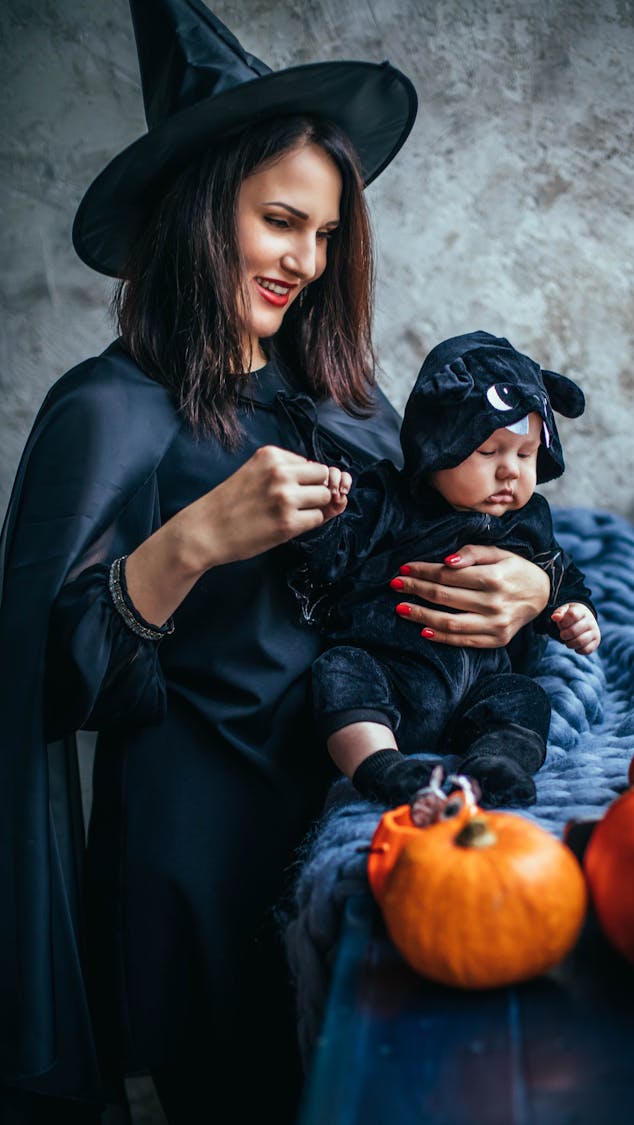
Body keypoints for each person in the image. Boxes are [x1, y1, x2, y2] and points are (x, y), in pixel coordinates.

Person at [0, 2, 555, 1122]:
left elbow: (439, 532)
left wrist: (529, 587)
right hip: (202, 859)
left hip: (356, 817)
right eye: (279, 222)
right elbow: (43, 692)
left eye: (328, 233)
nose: (306, 261)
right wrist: (193, 541)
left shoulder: (342, 401)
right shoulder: (105, 413)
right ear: (201, 213)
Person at [288, 331, 601, 810]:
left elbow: (558, 571)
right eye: (488, 452)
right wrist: (326, 522)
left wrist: (572, 608)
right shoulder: (388, 499)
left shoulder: (527, 519)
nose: (510, 472)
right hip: (390, 675)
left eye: (524, 454)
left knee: (525, 697)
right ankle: (382, 767)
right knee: (339, 673)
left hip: (479, 686)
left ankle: (495, 763)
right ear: (436, 448)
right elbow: (336, 558)